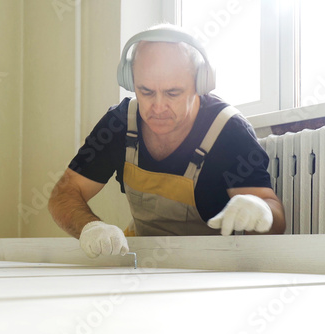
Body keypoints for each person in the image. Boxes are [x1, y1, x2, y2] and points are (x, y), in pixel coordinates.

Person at [48, 23, 286, 259]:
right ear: (131, 82)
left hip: (211, 264)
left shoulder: (229, 131)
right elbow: (64, 192)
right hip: (142, 259)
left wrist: (262, 210)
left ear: (200, 84)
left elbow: (276, 218)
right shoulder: (119, 123)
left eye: (173, 93)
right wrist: (90, 227)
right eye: (146, 92)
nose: (158, 107)